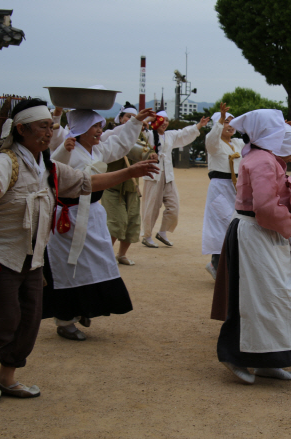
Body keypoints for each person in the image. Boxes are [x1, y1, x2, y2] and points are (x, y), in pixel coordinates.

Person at [0, 99, 158, 402]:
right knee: (3, 318)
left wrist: (129, 172)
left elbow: (85, 182)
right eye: (44, 126)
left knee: (29, 318)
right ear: (21, 130)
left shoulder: (47, 166)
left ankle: (7, 376)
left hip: (32, 253)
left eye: (51, 126)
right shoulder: (6, 161)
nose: (50, 132)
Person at [43, 106, 156, 341]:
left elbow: (121, 144)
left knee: (97, 263)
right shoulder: (68, 150)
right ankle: (65, 319)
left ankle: (84, 307)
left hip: (92, 213)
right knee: (69, 268)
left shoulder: (97, 150)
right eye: (94, 126)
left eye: (99, 126)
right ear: (81, 129)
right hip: (69, 217)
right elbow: (54, 170)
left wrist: (135, 121)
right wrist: (63, 150)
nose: (99, 131)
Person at [212, 109, 291, 385]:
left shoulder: (260, 156)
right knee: (251, 299)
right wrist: (290, 225)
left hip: (261, 232)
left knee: (273, 296)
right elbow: (265, 207)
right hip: (254, 233)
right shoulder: (262, 160)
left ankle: (269, 359)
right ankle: (234, 355)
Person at [140, 111, 210, 248]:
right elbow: (138, 131)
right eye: (162, 120)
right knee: (151, 207)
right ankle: (147, 235)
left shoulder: (170, 135)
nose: (165, 123)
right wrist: (148, 119)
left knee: (174, 206)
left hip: (168, 176)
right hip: (153, 175)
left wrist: (199, 125)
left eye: (167, 120)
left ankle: (162, 232)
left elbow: (183, 133)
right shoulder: (147, 134)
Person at [102, 102, 158, 266]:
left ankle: (122, 255)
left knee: (132, 222)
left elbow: (146, 151)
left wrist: (152, 155)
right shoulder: (110, 136)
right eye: (128, 117)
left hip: (132, 187)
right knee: (115, 222)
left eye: (134, 117)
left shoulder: (142, 136)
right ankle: (106, 257)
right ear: (120, 119)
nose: (131, 120)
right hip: (112, 186)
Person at [202, 102, 243, 279]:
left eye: (232, 122)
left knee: (236, 225)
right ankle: (216, 265)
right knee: (221, 227)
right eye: (226, 122)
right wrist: (219, 120)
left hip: (237, 188)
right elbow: (211, 140)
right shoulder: (215, 144)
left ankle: (228, 266)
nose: (230, 125)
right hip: (219, 187)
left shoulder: (238, 144)